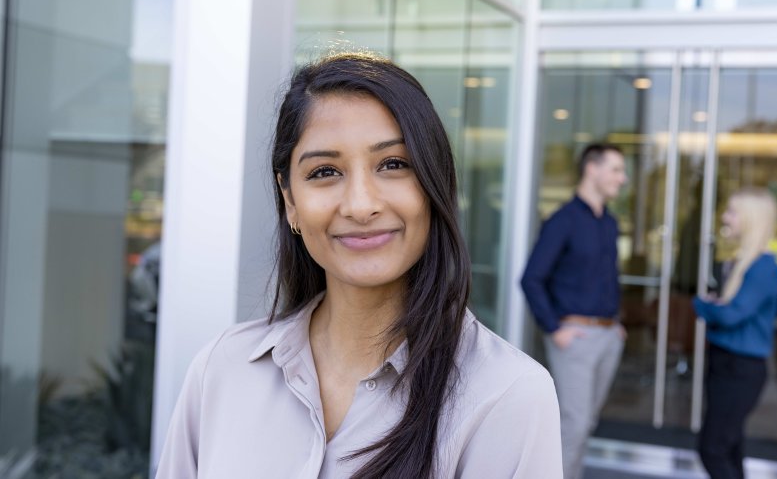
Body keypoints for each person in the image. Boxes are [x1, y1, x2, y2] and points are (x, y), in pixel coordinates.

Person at [156, 53, 562, 479]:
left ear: (434, 181)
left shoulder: (507, 394)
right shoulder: (222, 368)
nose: (361, 205)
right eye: (325, 171)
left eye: (393, 164)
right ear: (290, 200)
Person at [521, 143, 628, 479]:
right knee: (574, 424)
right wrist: (555, 328)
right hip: (575, 337)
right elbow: (531, 278)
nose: (622, 179)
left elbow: (606, 279)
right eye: (616, 170)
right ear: (592, 169)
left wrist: (617, 324)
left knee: (585, 424)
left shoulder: (609, 223)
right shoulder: (563, 220)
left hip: (608, 334)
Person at [693, 188, 777, 479]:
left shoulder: (764, 265)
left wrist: (701, 305)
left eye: (732, 212)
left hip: (740, 369)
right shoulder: (741, 261)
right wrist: (718, 307)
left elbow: (732, 315)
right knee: (730, 446)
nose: (725, 217)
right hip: (725, 362)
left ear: (750, 219)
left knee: (713, 449)